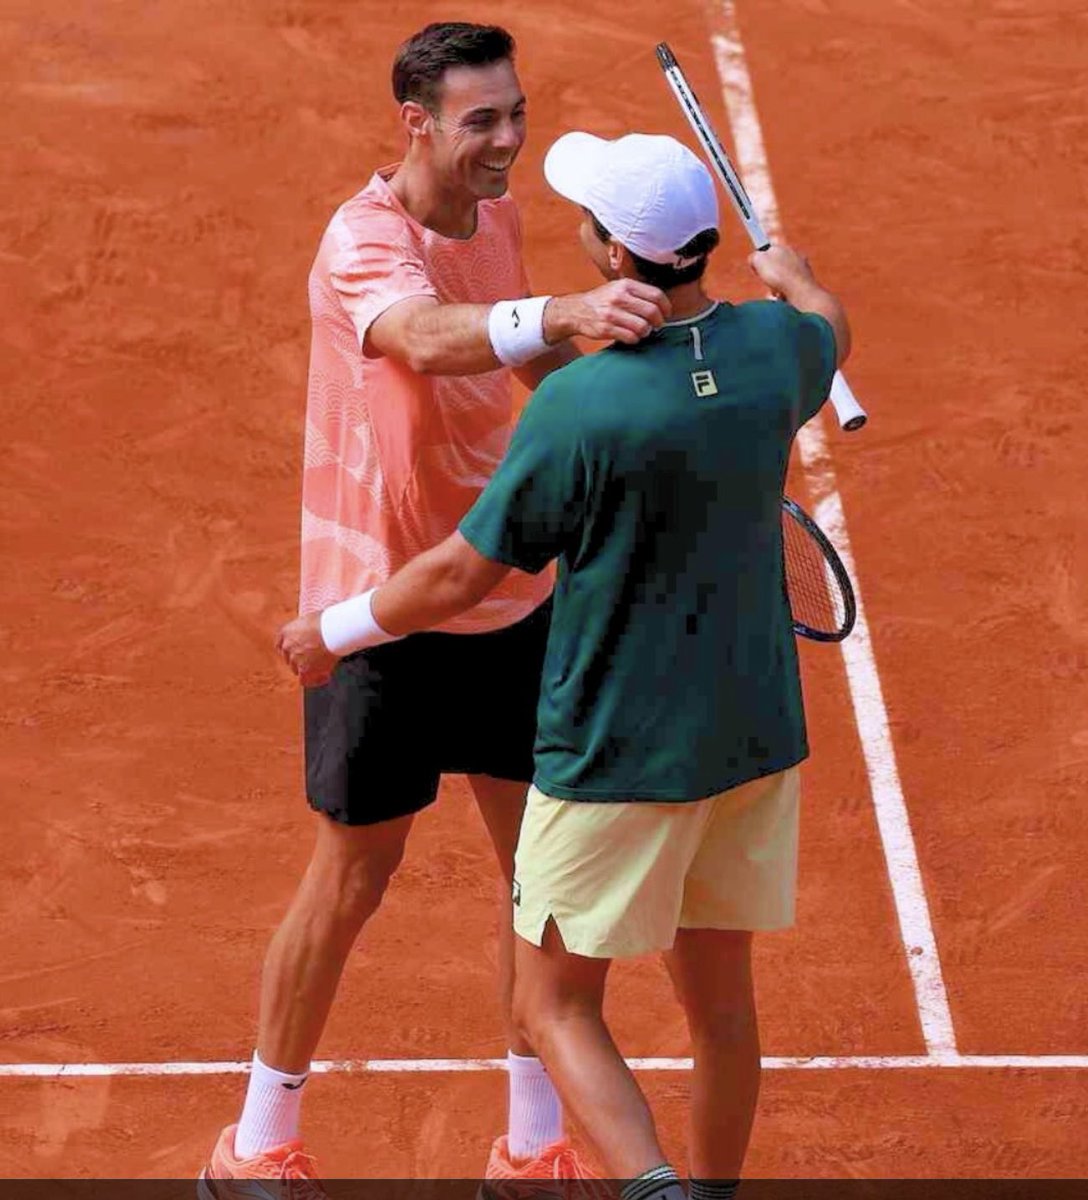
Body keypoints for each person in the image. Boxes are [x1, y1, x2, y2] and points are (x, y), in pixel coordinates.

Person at [279, 128, 850, 1195]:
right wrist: (799, 281)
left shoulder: (580, 405)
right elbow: (829, 325)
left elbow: (458, 576)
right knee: (721, 1008)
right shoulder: (781, 349)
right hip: (754, 740)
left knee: (551, 1005)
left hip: (617, 750)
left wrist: (336, 630)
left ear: (611, 254)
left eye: (586, 221)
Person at [200, 24, 672, 1195]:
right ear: (414, 122)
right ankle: (256, 1146)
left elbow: (521, 361)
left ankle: (530, 1149)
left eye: (515, 112)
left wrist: (629, 414)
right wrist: (563, 313)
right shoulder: (362, 242)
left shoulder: (494, 213)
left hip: (510, 590)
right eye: (481, 121)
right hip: (384, 606)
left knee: (535, 882)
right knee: (352, 878)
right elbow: (421, 335)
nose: (507, 139)